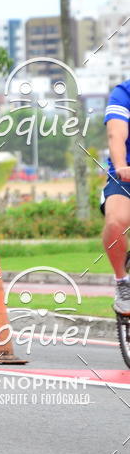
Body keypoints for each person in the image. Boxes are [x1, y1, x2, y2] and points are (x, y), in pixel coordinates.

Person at [101, 80, 130, 313]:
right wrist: (121, 165)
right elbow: (116, 134)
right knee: (115, 222)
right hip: (126, 175)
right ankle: (122, 282)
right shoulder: (123, 93)